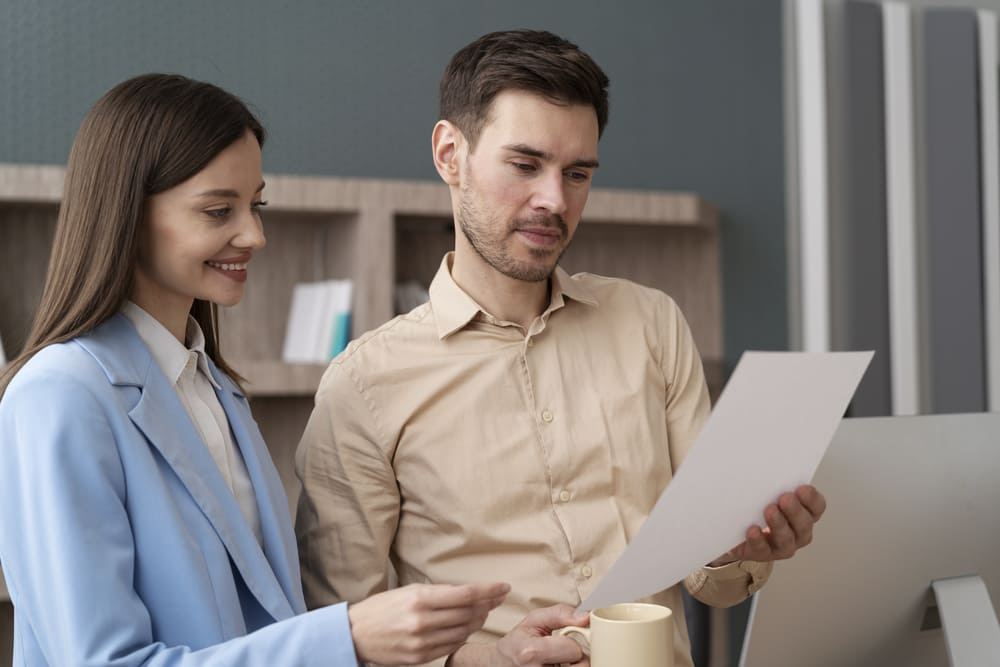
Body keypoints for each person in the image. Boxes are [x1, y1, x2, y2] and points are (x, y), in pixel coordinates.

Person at [294, 30, 827, 667]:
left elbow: (710, 577)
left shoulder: (651, 323)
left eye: (577, 174)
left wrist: (744, 543)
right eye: (525, 165)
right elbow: (340, 638)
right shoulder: (363, 385)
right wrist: (486, 660)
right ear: (449, 154)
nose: (555, 200)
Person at [0, 73, 510, 667]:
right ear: (128, 215)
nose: (254, 234)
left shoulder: (213, 387)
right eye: (220, 210)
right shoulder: (59, 397)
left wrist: (480, 656)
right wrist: (346, 639)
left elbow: (268, 626)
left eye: (255, 205)